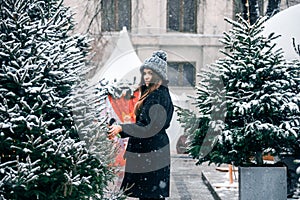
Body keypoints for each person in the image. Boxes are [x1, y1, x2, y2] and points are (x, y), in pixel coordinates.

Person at [108, 50, 174, 200]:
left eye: (151, 73)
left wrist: (122, 128)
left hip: (152, 152)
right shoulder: (151, 93)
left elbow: (148, 128)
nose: (147, 77)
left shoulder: (158, 95)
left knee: (150, 196)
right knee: (149, 196)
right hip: (150, 152)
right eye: (145, 73)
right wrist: (120, 128)